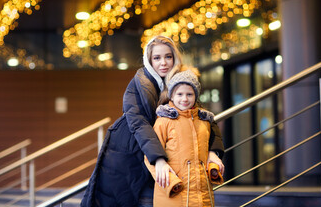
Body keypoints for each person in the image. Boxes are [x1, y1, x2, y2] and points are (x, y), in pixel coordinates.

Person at [80, 36, 224, 207]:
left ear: (175, 57)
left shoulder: (184, 81)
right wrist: (159, 159)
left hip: (172, 162)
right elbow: (139, 124)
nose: (163, 62)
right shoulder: (137, 84)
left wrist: (213, 151)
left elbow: (203, 117)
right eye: (157, 58)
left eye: (168, 56)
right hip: (134, 154)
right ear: (149, 60)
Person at [145, 68, 224, 207]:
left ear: (196, 96)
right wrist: (172, 183)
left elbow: (208, 150)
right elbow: (150, 157)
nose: (185, 98)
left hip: (203, 196)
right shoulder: (164, 121)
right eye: (180, 94)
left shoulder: (204, 121)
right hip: (174, 195)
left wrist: (213, 167)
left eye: (189, 94)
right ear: (172, 96)